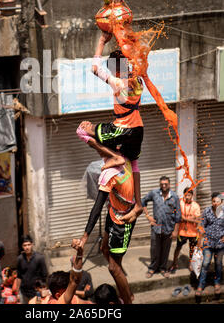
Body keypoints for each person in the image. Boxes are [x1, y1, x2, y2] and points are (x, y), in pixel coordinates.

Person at [77, 30, 144, 222]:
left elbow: (94, 68)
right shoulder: (138, 81)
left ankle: (114, 158)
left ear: (116, 69)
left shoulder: (118, 83)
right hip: (138, 128)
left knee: (82, 131)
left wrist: (101, 41)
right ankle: (138, 204)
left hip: (121, 127)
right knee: (135, 162)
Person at [72, 154, 137, 304]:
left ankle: (128, 300)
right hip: (112, 212)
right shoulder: (112, 164)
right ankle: (124, 288)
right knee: (104, 249)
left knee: (113, 268)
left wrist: (85, 237)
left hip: (123, 220)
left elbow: (96, 208)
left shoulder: (113, 172)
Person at [141, 176, 181, 279]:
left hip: (169, 228)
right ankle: (152, 268)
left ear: (169, 184)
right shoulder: (154, 193)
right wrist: (148, 216)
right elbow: (142, 201)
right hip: (156, 228)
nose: (163, 186)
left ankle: (163, 268)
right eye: (162, 184)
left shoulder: (175, 197)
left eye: (165, 184)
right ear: (160, 184)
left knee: (165, 250)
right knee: (154, 249)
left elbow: (178, 216)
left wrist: (175, 231)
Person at [195, 192, 224, 302]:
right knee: (206, 263)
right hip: (208, 243)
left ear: (221, 202)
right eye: (213, 201)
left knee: (218, 264)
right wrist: (201, 236)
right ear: (211, 201)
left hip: (220, 245)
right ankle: (201, 285)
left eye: (217, 201)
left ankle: (217, 283)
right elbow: (201, 225)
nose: (215, 203)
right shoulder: (207, 211)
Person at [169, 187, 201, 273]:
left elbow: (197, 217)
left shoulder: (196, 205)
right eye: (186, 195)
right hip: (182, 231)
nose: (187, 197)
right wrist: (192, 219)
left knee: (192, 249)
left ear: (192, 195)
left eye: (189, 195)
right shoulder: (180, 203)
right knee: (178, 247)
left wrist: (184, 218)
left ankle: (190, 264)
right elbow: (179, 217)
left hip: (193, 232)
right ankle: (174, 263)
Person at [16, 235, 48, 304]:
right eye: (25, 245)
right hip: (24, 292)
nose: (27, 247)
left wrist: (44, 290)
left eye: (29, 245)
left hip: (37, 292)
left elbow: (45, 276)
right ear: (22, 247)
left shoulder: (40, 258)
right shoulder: (20, 259)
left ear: (32, 245)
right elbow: (19, 277)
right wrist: (17, 293)